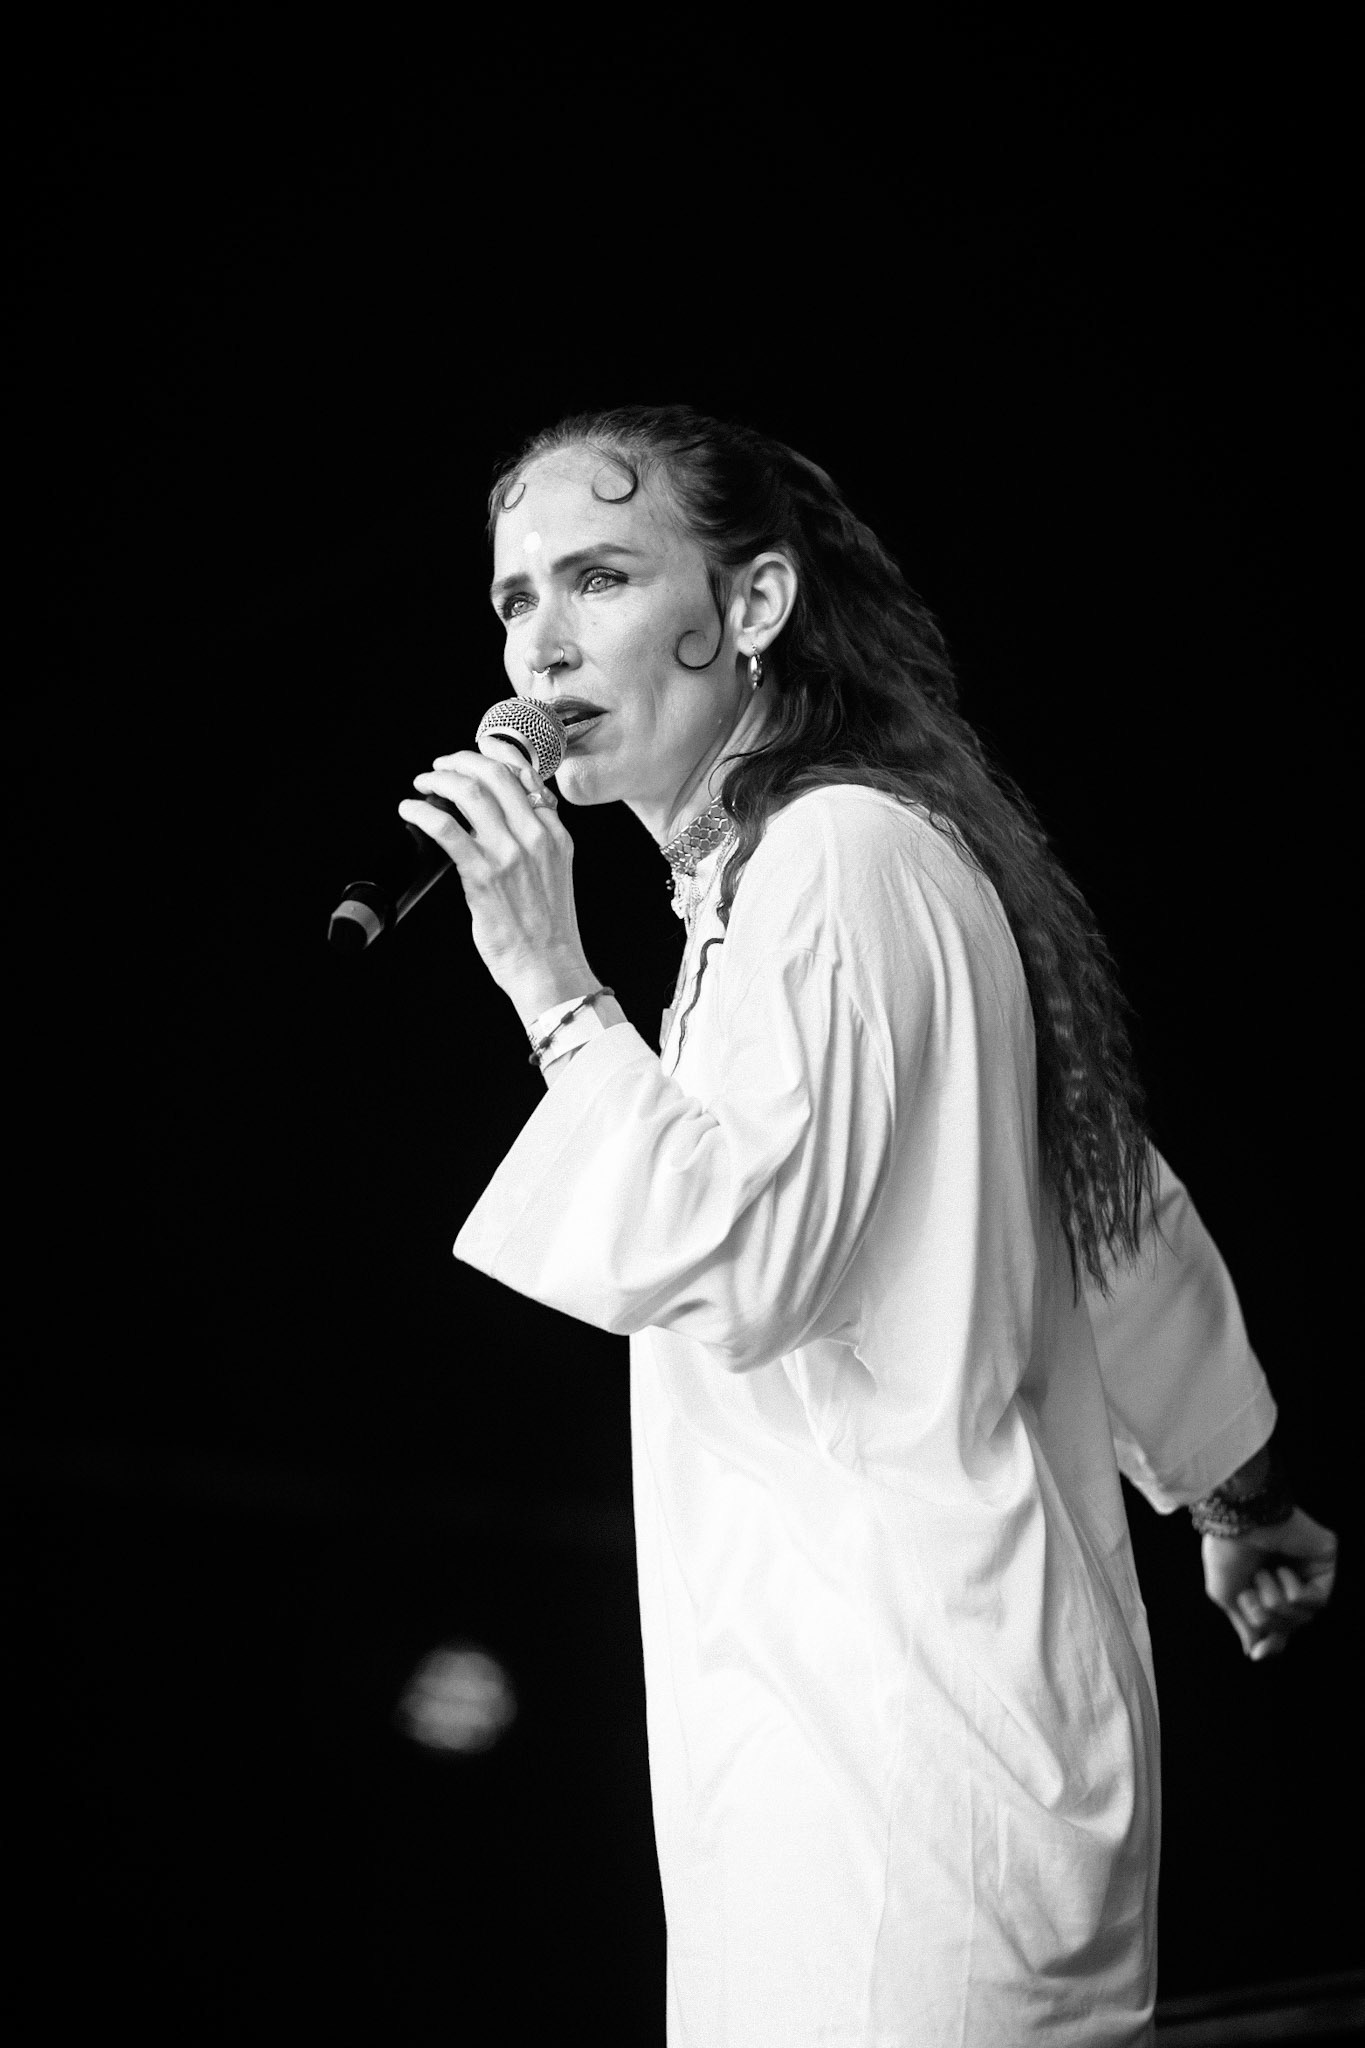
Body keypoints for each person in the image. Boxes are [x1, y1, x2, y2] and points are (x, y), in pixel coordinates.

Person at [398, 407, 1337, 2047]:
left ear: (753, 603)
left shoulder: (832, 859)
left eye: (599, 577)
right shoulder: (811, 865)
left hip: (895, 1778)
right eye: (513, 599)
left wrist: (552, 989)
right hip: (880, 1754)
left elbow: (754, 1266)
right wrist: (1236, 1495)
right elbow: (1103, 1196)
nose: (539, 644)